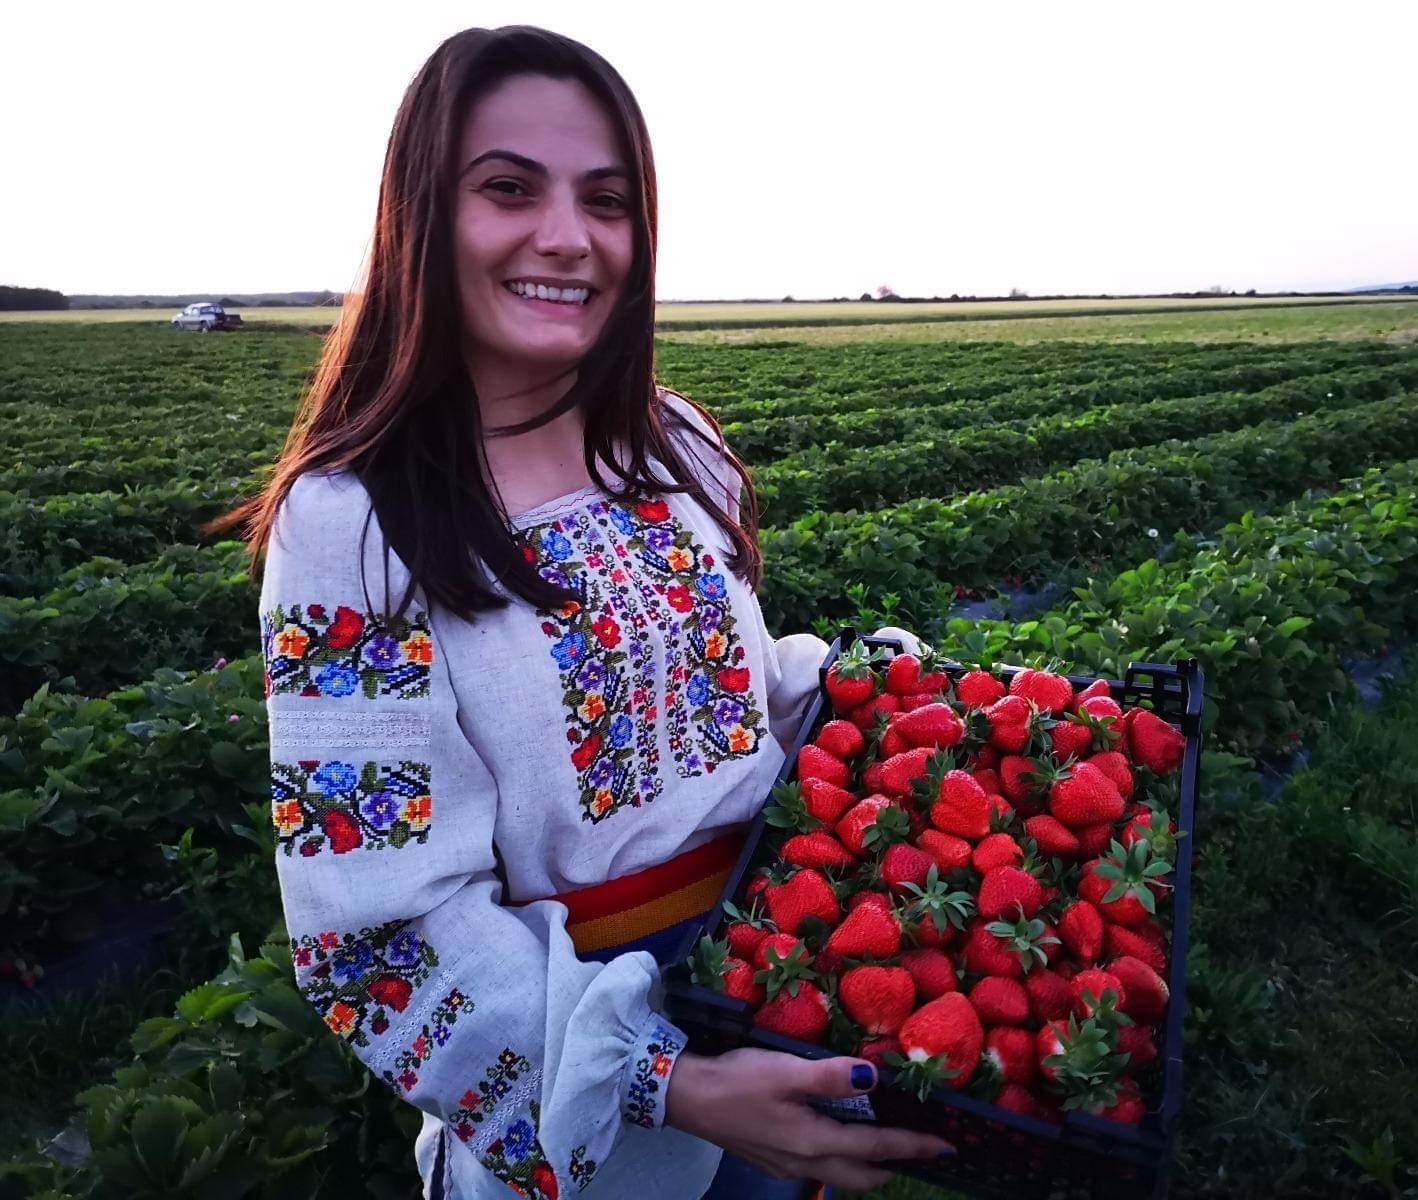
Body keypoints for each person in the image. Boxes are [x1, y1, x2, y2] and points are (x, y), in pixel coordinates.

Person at [213, 24, 956, 1200]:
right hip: (587, 1073)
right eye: (508, 188)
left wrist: (885, 698)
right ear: (423, 215)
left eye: (606, 200)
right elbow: (378, 936)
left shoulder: (673, 442)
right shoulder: (355, 523)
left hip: (781, 986)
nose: (567, 236)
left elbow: (739, 699)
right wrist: (664, 1081)